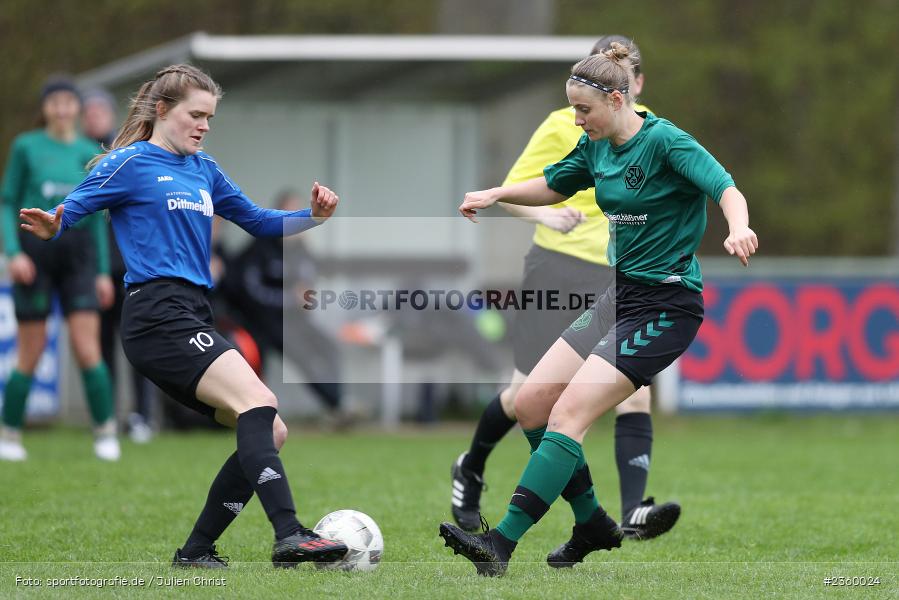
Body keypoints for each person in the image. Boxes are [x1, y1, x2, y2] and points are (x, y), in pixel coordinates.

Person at [439, 42, 758, 576]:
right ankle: (591, 522)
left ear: (617, 97)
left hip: (667, 304)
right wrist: (497, 194)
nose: (576, 118)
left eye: (583, 109)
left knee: (569, 415)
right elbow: (551, 185)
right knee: (533, 404)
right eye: (572, 108)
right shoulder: (596, 147)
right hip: (619, 295)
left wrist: (739, 226)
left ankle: (500, 544)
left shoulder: (665, 142)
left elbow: (725, 187)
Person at [18, 64, 349, 568]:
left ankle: (195, 552)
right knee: (259, 401)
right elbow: (74, 207)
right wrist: (54, 225)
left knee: (269, 429)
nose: (204, 125)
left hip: (193, 313)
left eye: (210, 117)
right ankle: (289, 535)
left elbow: (258, 220)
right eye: (196, 114)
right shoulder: (129, 163)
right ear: (162, 110)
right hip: (155, 314)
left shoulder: (205, 169)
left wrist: (312, 217)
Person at [450, 35, 680, 542]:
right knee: (523, 396)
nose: (633, 80)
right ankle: (471, 468)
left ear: (634, 84)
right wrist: (549, 217)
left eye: (636, 72)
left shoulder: (654, 131)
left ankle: (632, 510)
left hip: (617, 279)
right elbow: (518, 191)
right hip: (556, 268)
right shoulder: (566, 123)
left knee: (631, 398)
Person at [0, 77, 119, 462]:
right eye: (56, 102)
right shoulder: (26, 146)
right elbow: (6, 203)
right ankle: (9, 435)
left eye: (69, 102)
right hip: (35, 255)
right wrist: (13, 253)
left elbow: (99, 217)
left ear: (78, 108)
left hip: (79, 257)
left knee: (87, 348)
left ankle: (105, 432)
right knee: (30, 352)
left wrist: (102, 271)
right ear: (46, 107)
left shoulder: (90, 152)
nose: (63, 109)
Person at [217, 189, 349, 426]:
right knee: (264, 365)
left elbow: (309, 280)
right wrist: (290, 298)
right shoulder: (259, 247)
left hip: (292, 320)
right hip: (258, 321)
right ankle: (248, 415)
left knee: (327, 348)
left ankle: (338, 405)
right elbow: (251, 292)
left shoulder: (301, 250)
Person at [82, 87, 157, 443]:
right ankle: (107, 416)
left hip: (131, 269)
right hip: (97, 270)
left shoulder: (128, 156)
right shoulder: (79, 157)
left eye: (99, 111)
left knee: (138, 344)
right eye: (89, 112)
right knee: (103, 346)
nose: (93, 117)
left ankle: (142, 415)